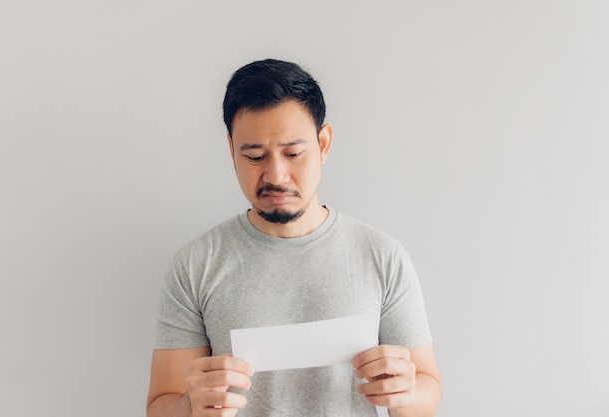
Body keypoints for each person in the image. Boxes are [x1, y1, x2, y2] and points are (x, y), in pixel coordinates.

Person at [146, 58, 442, 417]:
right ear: (231, 151)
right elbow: (161, 405)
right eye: (254, 156)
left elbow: (428, 391)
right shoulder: (195, 265)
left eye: (293, 153)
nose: (276, 175)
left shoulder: (381, 256)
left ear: (324, 144)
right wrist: (191, 406)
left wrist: (405, 393)